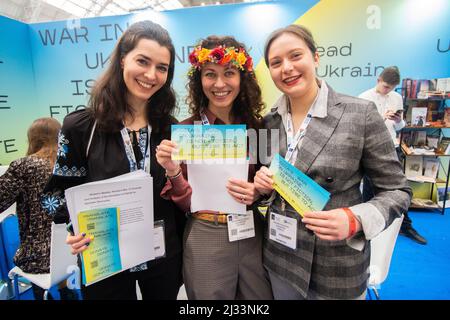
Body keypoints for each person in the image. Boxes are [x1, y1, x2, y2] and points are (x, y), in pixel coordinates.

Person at [253, 25, 412, 300]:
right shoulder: (268, 122)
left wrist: (355, 218)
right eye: (276, 63)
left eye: (295, 56)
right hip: (280, 259)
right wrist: (261, 188)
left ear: (315, 57)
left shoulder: (359, 113)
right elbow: (266, 189)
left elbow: (397, 191)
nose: (287, 68)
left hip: (335, 266)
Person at [41, 20, 185, 300]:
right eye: (142, 61)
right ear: (122, 61)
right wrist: (75, 228)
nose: (151, 74)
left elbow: (181, 196)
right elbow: (53, 196)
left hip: (162, 254)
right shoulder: (82, 126)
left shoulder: (170, 128)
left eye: (162, 68)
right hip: (105, 255)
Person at [156, 35, 273, 300]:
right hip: (205, 234)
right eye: (210, 74)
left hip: (252, 232)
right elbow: (185, 204)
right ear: (200, 81)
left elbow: (271, 184)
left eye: (229, 73)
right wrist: (173, 171)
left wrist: (258, 191)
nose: (219, 84)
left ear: (242, 78)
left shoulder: (258, 128)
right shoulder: (187, 130)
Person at [0, 117, 77, 300]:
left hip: (37, 260)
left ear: (33, 138)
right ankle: (67, 292)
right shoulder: (71, 164)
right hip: (72, 252)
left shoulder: (23, 166)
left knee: (28, 254)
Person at [359, 66, 427, 245]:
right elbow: (360, 129)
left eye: (391, 87)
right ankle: (366, 229)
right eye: (385, 86)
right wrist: (381, 118)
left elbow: (399, 127)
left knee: (399, 190)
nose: (388, 90)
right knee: (368, 192)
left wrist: (398, 121)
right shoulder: (364, 98)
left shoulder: (397, 98)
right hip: (370, 149)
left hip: (391, 148)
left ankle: (406, 226)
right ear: (378, 80)